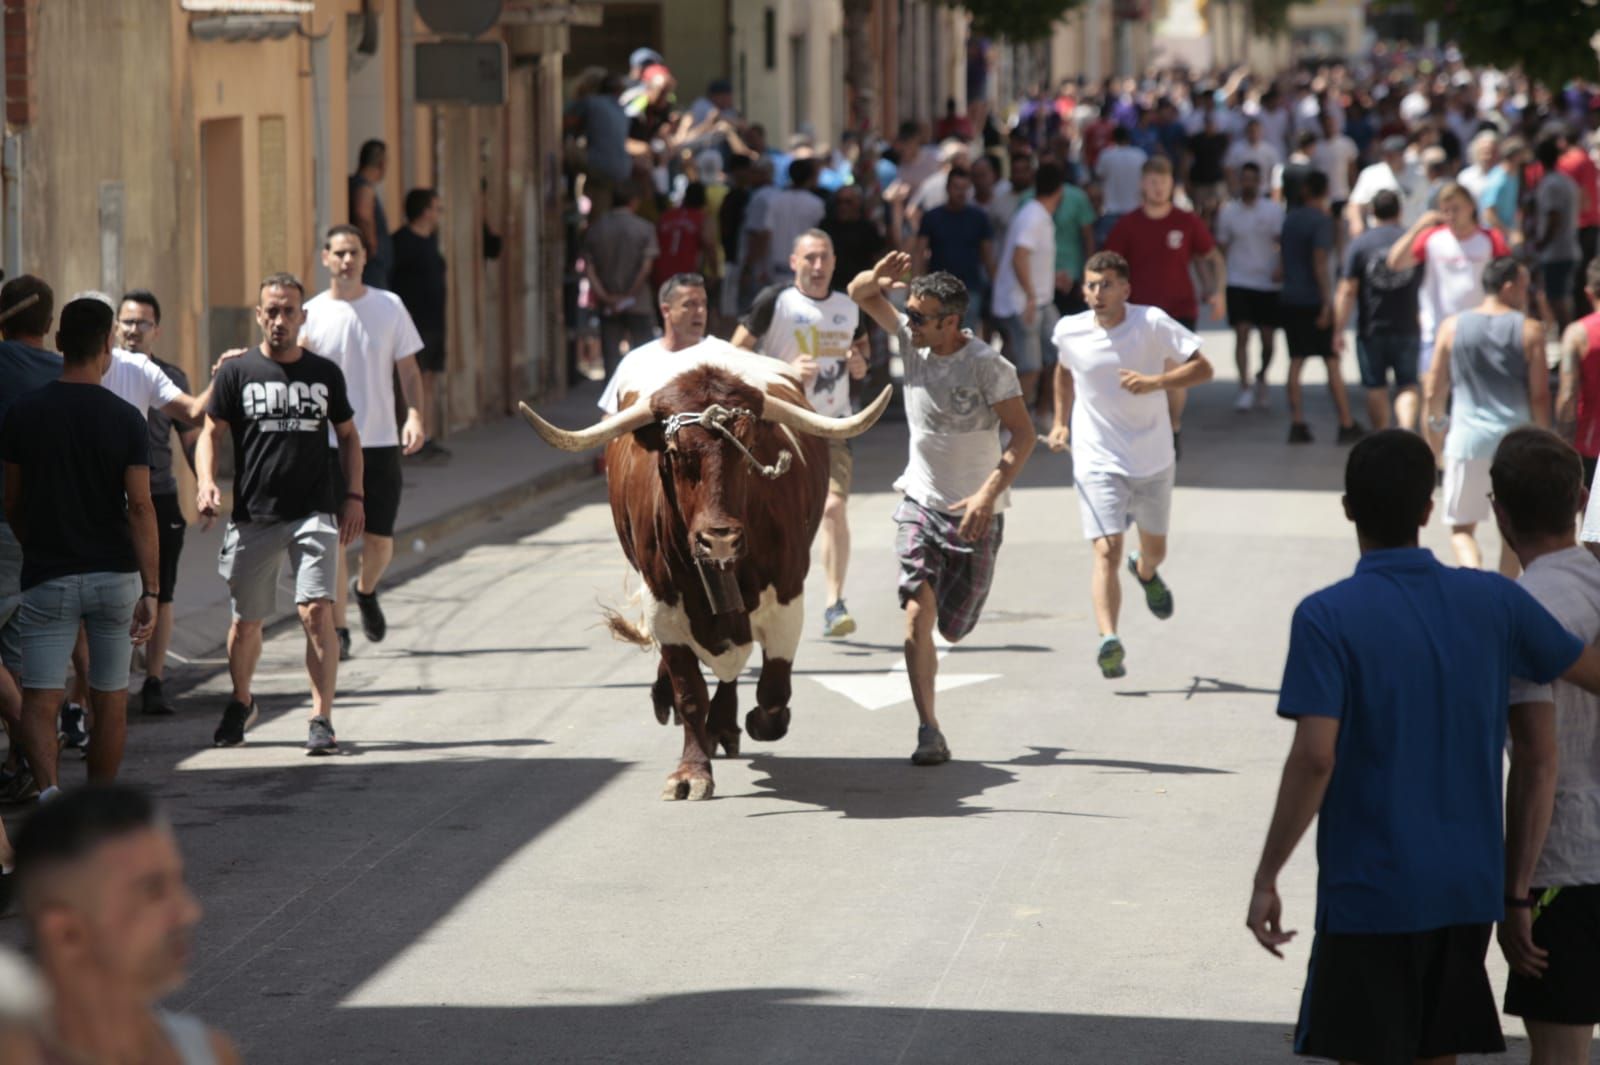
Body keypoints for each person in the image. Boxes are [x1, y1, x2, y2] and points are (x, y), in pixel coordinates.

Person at [1247, 428, 1600, 1065]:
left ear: (1348, 507)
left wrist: (1268, 873)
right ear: (1428, 509)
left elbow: (1315, 757)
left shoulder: (1326, 617)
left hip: (1370, 888)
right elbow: (1587, 670)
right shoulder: (1495, 601)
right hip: (1466, 888)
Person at [848, 253, 1033, 767]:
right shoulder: (913, 343)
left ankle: (933, 703)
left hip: (977, 512)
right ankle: (929, 728)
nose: (909, 322)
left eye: (920, 316)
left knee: (953, 627)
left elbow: (1024, 434)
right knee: (915, 616)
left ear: (951, 321)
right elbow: (859, 293)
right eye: (907, 312)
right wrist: (875, 279)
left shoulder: (989, 366)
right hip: (921, 502)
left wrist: (988, 494)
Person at [197, 273, 364, 755]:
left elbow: (349, 436)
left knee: (317, 611)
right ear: (258, 315)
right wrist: (207, 482)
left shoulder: (324, 373)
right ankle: (242, 700)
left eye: (289, 311)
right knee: (246, 621)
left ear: (302, 316)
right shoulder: (236, 372)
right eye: (271, 311)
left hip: (314, 510)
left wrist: (353, 496)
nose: (280, 320)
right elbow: (210, 432)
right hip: (255, 514)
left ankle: (321, 717)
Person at [0, 297, 157, 799]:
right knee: (110, 700)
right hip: (114, 577)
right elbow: (139, 507)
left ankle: (49, 795)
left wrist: (34, 543)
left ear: (59, 342)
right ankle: (94, 816)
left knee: (39, 700)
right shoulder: (126, 418)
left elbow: (12, 501)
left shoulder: (23, 414)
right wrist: (151, 587)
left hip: (48, 576)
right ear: (107, 344)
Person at [1047, 251, 1212, 679]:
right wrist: (1061, 423)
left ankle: (1147, 570)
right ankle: (1109, 639)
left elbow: (1203, 368)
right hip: (1096, 455)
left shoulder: (1152, 322)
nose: (1096, 293)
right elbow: (1064, 373)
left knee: (1154, 549)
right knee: (1106, 548)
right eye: (1090, 285)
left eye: (1106, 285)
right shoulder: (1070, 329)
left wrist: (1155, 382)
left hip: (1153, 456)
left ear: (1126, 289)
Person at [1492, 428, 1600, 1065]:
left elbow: (1537, 762)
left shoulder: (1522, 608)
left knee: (1560, 1051)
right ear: (1580, 498)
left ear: (1499, 511)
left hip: (1568, 856)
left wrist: (1515, 893)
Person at [12, 784, 241, 1064]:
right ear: (67, 934)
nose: (189, 912)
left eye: (179, 882)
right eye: (153, 891)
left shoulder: (209, 1052)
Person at [732, 232, 868, 637]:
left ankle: (834, 603)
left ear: (834, 260)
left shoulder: (847, 306)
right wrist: (783, 370)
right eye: (809, 257)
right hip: (778, 427)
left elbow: (860, 352)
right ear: (794, 261)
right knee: (766, 519)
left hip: (831, 425)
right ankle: (755, 598)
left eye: (824, 257)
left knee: (832, 509)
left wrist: (860, 364)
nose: (817, 265)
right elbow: (734, 355)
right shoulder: (775, 302)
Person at [301, 226, 426, 661]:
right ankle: (340, 629)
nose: (347, 260)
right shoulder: (311, 314)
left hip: (379, 441)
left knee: (380, 542)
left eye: (353, 252)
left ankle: (366, 590)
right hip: (328, 445)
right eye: (339, 253)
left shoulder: (389, 306)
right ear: (325, 258)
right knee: (332, 539)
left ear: (365, 255)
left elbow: (408, 371)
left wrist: (414, 415)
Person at [1424, 256, 1550, 574]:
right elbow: (1539, 395)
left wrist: (1436, 436)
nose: (1527, 292)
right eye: (1524, 285)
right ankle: (1503, 593)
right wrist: (1546, 440)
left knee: (1462, 530)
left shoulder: (1452, 327)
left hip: (1466, 442)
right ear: (1509, 287)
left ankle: (1474, 578)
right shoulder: (1531, 331)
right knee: (1514, 533)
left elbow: (1433, 392)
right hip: (1517, 443)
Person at [1103, 155, 1226, 452]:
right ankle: (1140, 430)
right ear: (1143, 185)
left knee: (1172, 374)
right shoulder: (1128, 224)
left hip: (1178, 309)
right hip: (1137, 312)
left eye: (1164, 182)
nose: (1158, 188)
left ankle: (1173, 427)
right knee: (1139, 374)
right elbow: (1108, 266)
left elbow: (1212, 258)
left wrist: (1218, 291)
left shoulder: (1186, 222)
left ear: (1172, 185)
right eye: (1153, 182)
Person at [116, 291, 199, 718]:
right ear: (115, 326)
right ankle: (99, 690)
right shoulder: (104, 369)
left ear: (157, 330)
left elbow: (190, 436)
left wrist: (204, 483)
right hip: (113, 501)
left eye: (142, 323)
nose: (133, 330)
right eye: (127, 322)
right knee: (117, 589)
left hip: (161, 496)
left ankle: (154, 680)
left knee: (161, 593)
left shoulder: (170, 376)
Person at [0, 279, 62, 804]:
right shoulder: (67, 372)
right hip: (48, 534)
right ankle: (35, 767)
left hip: (6, 523)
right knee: (21, 658)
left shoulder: (4, 364)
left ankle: (35, 759)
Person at [1387, 182, 1510, 381]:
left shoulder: (1490, 239)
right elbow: (1395, 262)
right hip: (1436, 332)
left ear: (1470, 206)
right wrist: (1419, 226)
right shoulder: (1432, 238)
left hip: (1481, 332)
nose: (1451, 216)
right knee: (1432, 390)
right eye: (1445, 211)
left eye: (1456, 209)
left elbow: (1508, 281)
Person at [1282, 171, 1363, 445]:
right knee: (1331, 362)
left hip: (1291, 298)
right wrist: (1328, 303)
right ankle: (1345, 422)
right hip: (1313, 300)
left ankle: (1297, 423)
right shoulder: (1322, 222)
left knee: (1296, 361)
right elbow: (1320, 262)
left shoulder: (1290, 219)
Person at [1335, 189, 1425, 431]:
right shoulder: (1412, 240)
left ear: (1372, 212)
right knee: (1407, 384)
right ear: (1400, 211)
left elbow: (1347, 290)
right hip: (1408, 324)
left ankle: (1383, 435)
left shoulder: (1360, 244)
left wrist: (1338, 329)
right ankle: (1406, 430)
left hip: (1371, 327)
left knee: (1376, 387)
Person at [992, 162, 1066, 418]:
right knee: (1030, 368)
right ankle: (1009, 428)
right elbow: (1019, 255)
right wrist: (1032, 295)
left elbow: (1029, 258)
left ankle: (1044, 413)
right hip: (1024, 303)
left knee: (1060, 354)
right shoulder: (1034, 217)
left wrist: (1051, 280)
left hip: (1041, 300)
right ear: (1061, 191)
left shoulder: (1036, 215)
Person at [1215, 162, 1284, 412]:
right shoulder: (1229, 212)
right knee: (1241, 333)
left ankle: (1261, 377)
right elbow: (1221, 248)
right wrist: (1218, 282)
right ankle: (1244, 386)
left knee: (1268, 341)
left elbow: (1281, 242)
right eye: (1244, 179)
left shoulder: (1273, 211)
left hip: (1267, 283)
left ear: (1260, 182)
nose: (1248, 184)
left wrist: (1281, 267)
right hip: (1238, 280)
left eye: (1252, 180)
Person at [598, 273, 717, 416]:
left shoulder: (721, 358)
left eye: (703, 303)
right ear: (666, 310)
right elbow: (610, 416)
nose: (700, 311)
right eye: (689, 304)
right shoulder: (635, 361)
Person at [389, 187, 450, 462]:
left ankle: (426, 436)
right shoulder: (401, 242)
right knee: (409, 378)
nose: (439, 213)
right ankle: (410, 438)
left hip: (434, 322)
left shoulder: (431, 240)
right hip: (413, 323)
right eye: (436, 208)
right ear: (425, 211)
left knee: (429, 379)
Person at [584, 180, 660, 377]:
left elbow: (589, 269)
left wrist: (607, 297)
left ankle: (613, 402)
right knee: (645, 354)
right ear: (634, 201)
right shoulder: (644, 228)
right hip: (638, 301)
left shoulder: (596, 229)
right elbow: (646, 267)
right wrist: (629, 294)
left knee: (611, 357)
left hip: (607, 301)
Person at [915, 168, 996, 333]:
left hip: (969, 289)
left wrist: (995, 286)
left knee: (965, 338)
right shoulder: (932, 217)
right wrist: (916, 287)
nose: (960, 192)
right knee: (938, 337)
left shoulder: (979, 218)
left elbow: (987, 256)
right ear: (947, 188)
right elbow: (920, 253)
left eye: (964, 188)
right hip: (938, 290)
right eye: (956, 187)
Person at [1556, 259, 1600, 485]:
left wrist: (1562, 442)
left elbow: (1567, 394)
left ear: (1588, 292)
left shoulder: (1577, 333)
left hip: (1590, 441)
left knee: (1591, 514)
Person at [1533, 137, 1583, 331]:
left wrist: (1543, 242)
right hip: (1568, 246)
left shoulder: (1551, 184)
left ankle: (1567, 337)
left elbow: (1554, 217)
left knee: (1557, 300)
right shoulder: (1566, 181)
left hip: (1557, 251)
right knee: (1560, 297)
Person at [1346, 135, 1426, 236]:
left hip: (1410, 234)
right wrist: (1356, 222)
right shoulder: (1371, 174)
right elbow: (1355, 203)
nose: (1387, 158)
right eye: (1385, 154)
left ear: (1402, 154)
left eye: (1392, 155)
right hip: (1379, 235)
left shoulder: (1420, 174)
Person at [348, 138, 393, 289]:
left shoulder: (356, 184)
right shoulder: (364, 188)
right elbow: (363, 215)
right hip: (371, 267)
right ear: (381, 163)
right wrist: (372, 246)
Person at [1092, 126, 1146, 245]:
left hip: (1111, 210)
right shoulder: (1140, 155)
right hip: (1135, 210)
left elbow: (1099, 175)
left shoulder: (1106, 155)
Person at [1223, 118, 1281, 198]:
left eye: (1257, 130)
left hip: (1264, 192)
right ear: (1247, 131)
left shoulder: (1270, 151)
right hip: (1241, 193)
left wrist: (1275, 195)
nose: (1254, 133)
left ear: (1261, 131)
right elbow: (1229, 170)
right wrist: (1234, 190)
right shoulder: (1236, 149)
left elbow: (1275, 175)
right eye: (1251, 130)